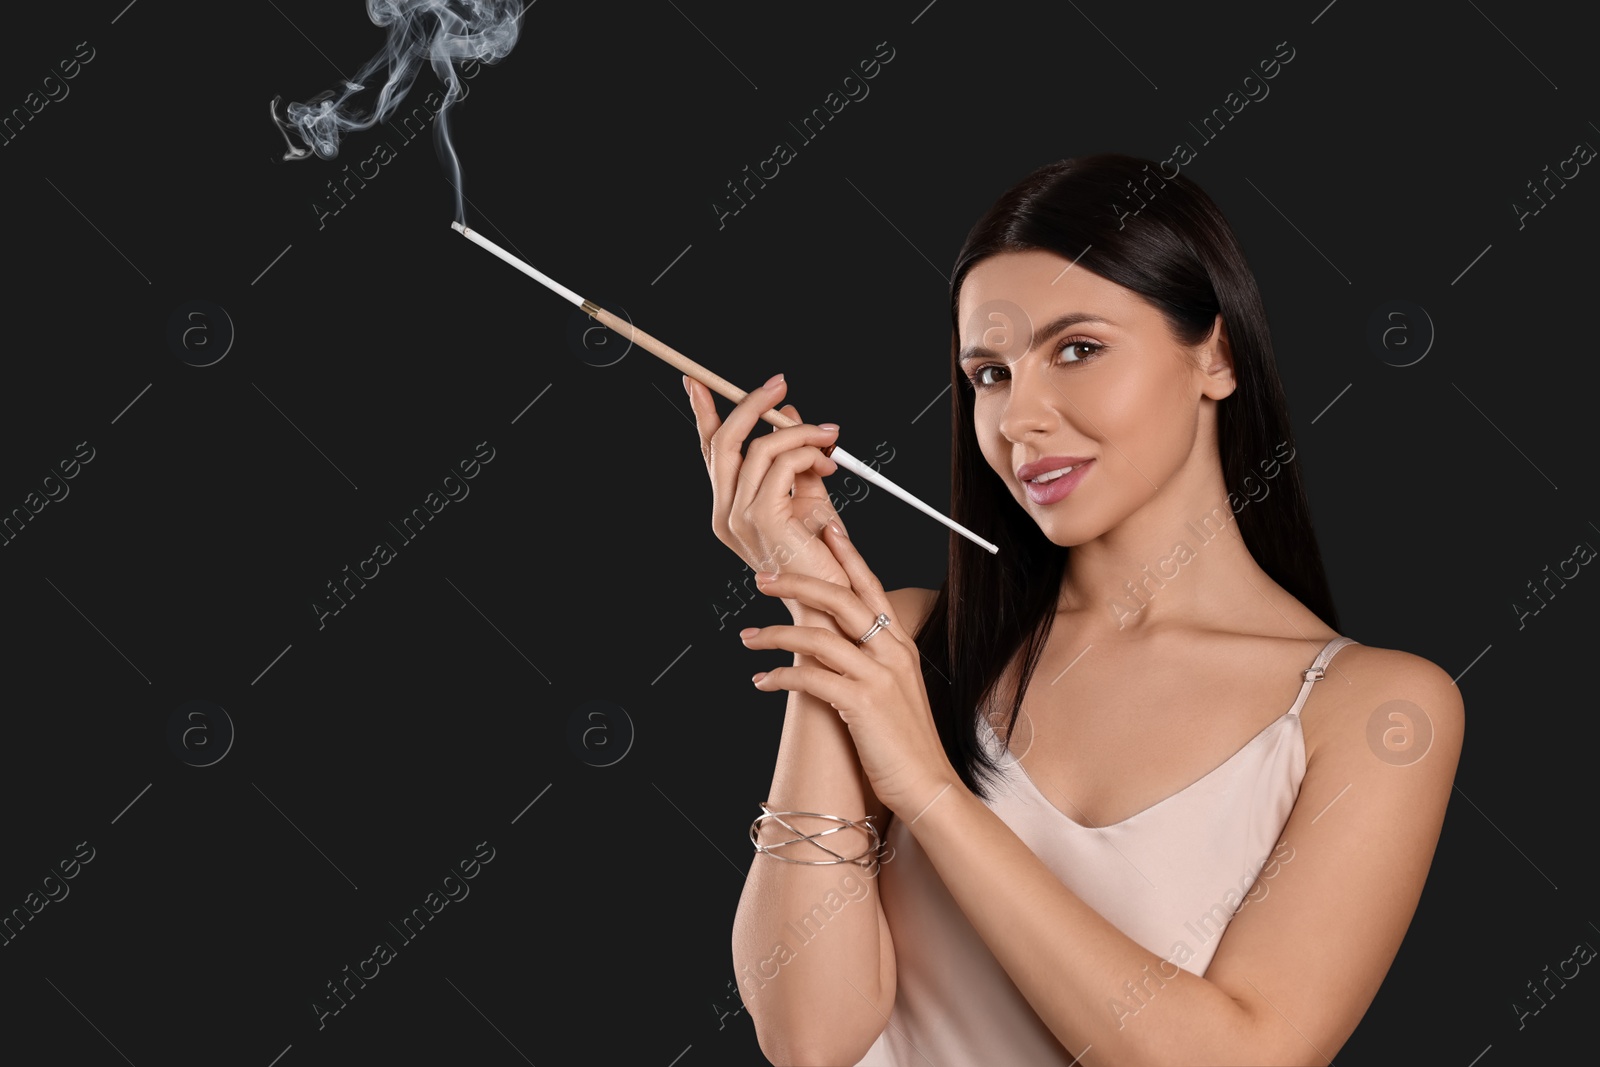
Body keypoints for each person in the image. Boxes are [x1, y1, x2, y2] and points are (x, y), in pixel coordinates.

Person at [684, 153, 1464, 1066]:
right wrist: (816, 595)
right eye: (989, 374)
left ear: (1213, 352)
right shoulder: (902, 637)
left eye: (1077, 349)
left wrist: (929, 790)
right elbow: (809, 1036)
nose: (1020, 419)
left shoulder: (1372, 709)